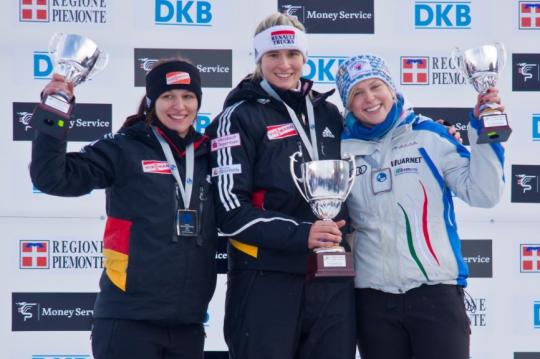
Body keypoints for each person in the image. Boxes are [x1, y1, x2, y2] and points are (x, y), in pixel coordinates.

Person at [30, 59, 217, 359]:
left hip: (188, 326)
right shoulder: (123, 148)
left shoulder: (210, 155)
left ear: (198, 102)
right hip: (128, 322)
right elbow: (52, 178)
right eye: (168, 96)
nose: (179, 106)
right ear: (152, 101)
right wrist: (55, 110)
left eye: (188, 96)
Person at [205, 12, 356, 359]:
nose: (284, 64)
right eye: (273, 55)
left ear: (304, 58)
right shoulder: (239, 116)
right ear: (259, 59)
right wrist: (302, 233)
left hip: (331, 279)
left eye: (292, 54)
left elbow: (373, 144)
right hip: (265, 279)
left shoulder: (329, 113)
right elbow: (231, 210)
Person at [335, 54, 505, 359]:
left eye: (376, 86)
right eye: (357, 93)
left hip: (435, 294)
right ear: (348, 104)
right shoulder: (340, 151)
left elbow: (484, 193)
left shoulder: (428, 136)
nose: (369, 98)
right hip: (373, 301)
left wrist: (486, 131)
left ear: (391, 88)